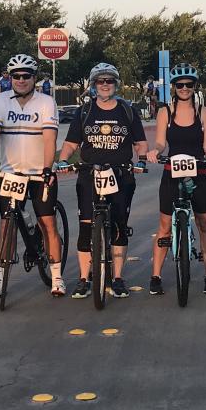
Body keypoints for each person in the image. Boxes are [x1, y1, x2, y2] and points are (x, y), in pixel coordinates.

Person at [57, 63, 148, 299]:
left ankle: (117, 278)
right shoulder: (85, 111)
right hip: (90, 173)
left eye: (109, 81)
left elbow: (140, 142)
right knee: (86, 226)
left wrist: (142, 161)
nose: (105, 84)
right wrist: (63, 160)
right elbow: (70, 143)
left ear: (116, 84)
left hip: (120, 174)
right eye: (100, 81)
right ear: (93, 85)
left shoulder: (127, 110)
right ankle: (84, 279)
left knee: (119, 225)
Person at [0, 54, 64, 298]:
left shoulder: (46, 102)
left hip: (40, 174)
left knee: (48, 223)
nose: (21, 80)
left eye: (26, 76)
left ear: (34, 78)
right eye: (16, 76)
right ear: (10, 78)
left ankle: (57, 277)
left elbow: (49, 138)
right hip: (12, 174)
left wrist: (48, 167)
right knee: (6, 225)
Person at [146, 63, 206, 295]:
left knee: (204, 222)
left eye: (189, 85)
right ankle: (155, 275)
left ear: (194, 86)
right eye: (180, 85)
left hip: (199, 170)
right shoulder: (164, 112)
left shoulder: (203, 112)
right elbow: (160, 141)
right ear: (174, 87)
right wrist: (155, 151)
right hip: (172, 170)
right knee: (165, 226)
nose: (184, 88)